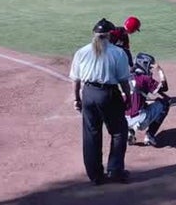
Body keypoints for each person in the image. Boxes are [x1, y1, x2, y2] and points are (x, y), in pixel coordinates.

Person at [69, 18, 132, 185]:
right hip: (109, 94)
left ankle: (95, 176)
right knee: (119, 131)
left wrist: (77, 99)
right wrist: (128, 97)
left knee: (91, 135)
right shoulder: (118, 53)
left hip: (89, 93)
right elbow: (124, 81)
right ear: (110, 35)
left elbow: (75, 80)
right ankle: (115, 171)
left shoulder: (81, 52)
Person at [125, 52, 170, 148]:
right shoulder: (145, 79)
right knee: (165, 103)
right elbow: (164, 87)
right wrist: (160, 70)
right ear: (144, 64)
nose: (150, 70)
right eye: (149, 67)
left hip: (122, 120)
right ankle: (150, 135)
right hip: (140, 118)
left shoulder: (125, 77)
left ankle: (130, 131)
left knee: (141, 103)